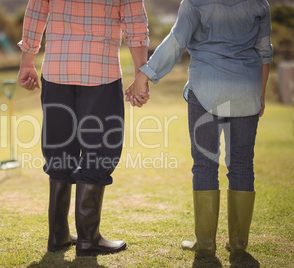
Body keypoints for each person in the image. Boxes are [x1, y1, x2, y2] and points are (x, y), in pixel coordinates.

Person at [126, 0, 273, 256]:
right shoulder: (259, 3)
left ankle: (205, 243)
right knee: (242, 164)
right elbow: (264, 51)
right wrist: (260, 94)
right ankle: (238, 244)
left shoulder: (195, 2)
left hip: (205, 89)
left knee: (205, 163)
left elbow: (176, 40)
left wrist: (145, 74)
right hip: (246, 90)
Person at [17, 0, 149, 256]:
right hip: (100, 72)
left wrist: (27, 61)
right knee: (100, 150)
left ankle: (58, 234)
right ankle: (88, 239)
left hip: (56, 71)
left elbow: (35, 14)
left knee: (59, 148)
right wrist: (140, 75)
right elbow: (135, 26)